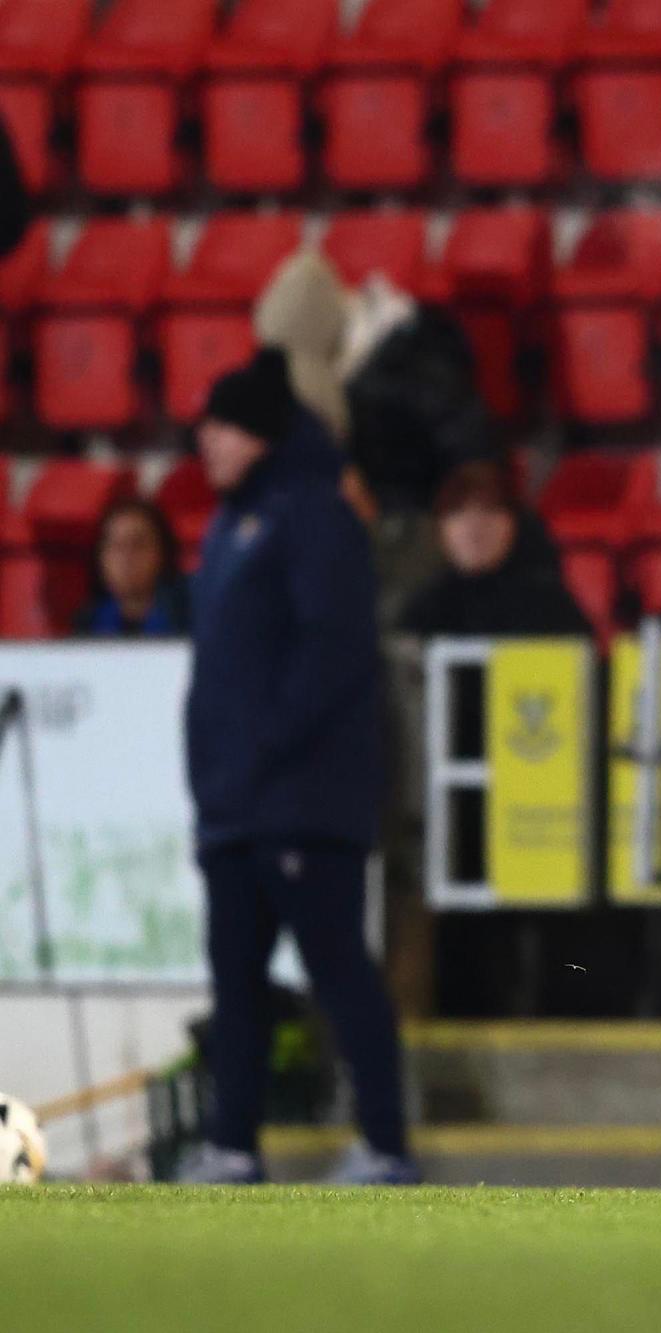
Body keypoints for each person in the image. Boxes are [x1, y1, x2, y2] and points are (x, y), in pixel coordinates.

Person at [176, 347, 417, 1186]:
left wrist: (262, 751)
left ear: (261, 433)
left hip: (303, 799)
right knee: (236, 987)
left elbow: (330, 657)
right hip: (239, 803)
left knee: (337, 972)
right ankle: (232, 1143)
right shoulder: (232, 521)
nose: (205, 439)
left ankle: (385, 1143)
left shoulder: (313, 514)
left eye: (223, 424)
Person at [396, 459, 592, 638]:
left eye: (489, 510)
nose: (474, 525)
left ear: (513, 523)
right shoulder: (423, 612)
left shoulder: (550, 607)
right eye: (458, 512)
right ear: (440, 527)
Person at [72, 498, 190, 637]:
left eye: (138, 544)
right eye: (116, 546)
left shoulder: (190, 616)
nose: (126, 557)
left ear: (163, 553)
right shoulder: (87, 623)